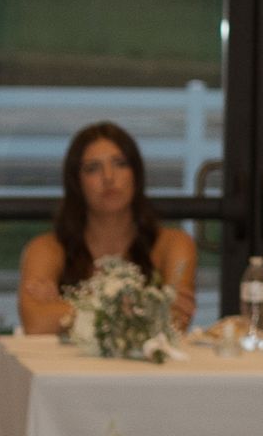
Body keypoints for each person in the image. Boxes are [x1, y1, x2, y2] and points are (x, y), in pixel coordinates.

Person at [18, 123, 198, 336]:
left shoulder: (174, 244)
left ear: (136, 174)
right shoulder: (46, 248)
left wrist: (68, 309)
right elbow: (36, 324)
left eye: (120, 164)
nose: (108, 177)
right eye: (93, 168)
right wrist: (140, 308)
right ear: (76, 182)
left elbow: (176, 321)